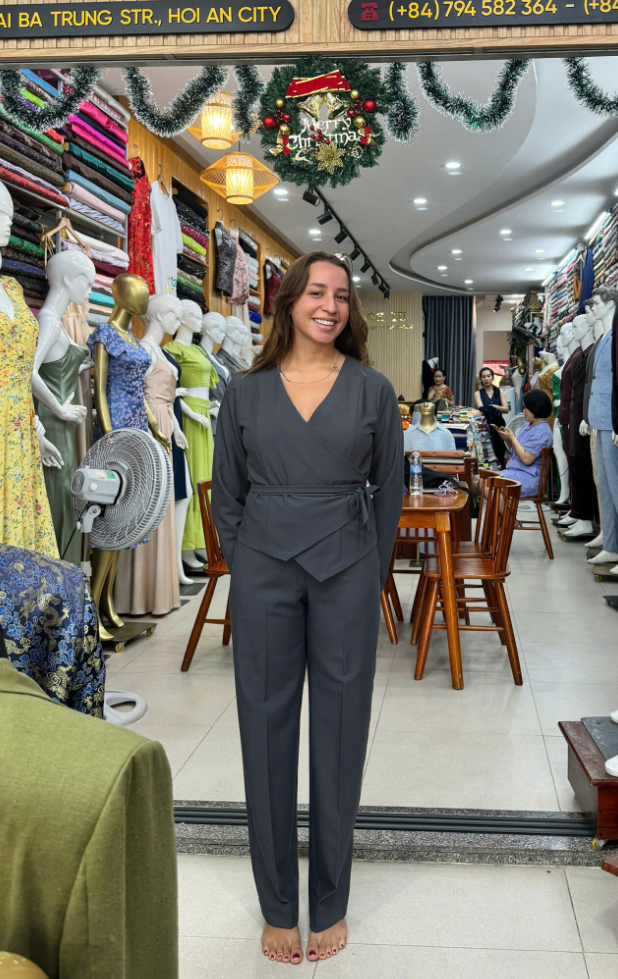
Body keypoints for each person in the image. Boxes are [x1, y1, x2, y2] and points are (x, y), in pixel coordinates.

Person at [212, 251, 402, 966]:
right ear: (289, 301)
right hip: (263, 567)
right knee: (264, 731)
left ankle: (329, 901)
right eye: (317, 292)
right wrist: (250, 558)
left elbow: (389, 491)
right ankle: (275, 906)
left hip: (347, 566)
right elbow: (227, 490)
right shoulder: (245, 390)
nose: (330, 305)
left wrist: (369, 567)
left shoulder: (372, 389)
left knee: (341, 730)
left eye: (342, 296)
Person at [493, 389, 553, 497]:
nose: (523, 411)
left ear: (536, 408)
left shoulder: (541, 431)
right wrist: (507, 439)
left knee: (487, 483)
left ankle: (503, 508)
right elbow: (516, 452)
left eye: (526, 408)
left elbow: (526, 459)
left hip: (528, 479)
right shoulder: (526, 425)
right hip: (514, 472)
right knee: (475, 480)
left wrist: (512, 438)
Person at [474, 366, 509, 467]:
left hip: (499, 426)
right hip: (485, 426)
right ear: (481, 379)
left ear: (492, 377)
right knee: (487, 453)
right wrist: (494, 409)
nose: (486, 379)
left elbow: (506, 409)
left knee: (499, 450)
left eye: (488, 376)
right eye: (483, 377)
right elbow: (481, 408)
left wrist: (495, 407)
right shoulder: (478, 393)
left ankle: (501, 470)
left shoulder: (500, 391)